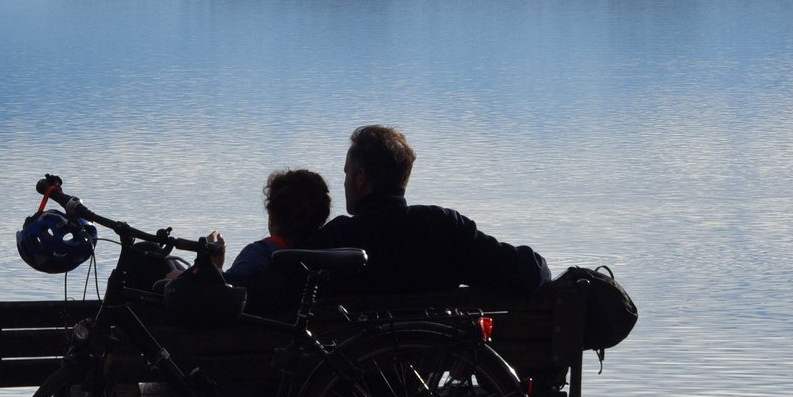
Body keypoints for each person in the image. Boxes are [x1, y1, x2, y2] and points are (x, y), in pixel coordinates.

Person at [311, 124, 551, 298]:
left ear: (361, 178)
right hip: (427, 362)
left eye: (346, 173)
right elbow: (529, 273)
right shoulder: (442, 227)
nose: (343, 183)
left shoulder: (336, 239)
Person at [216, 168, 332, 314]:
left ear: (272, 217)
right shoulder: (329, 258)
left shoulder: (258, 253)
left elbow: (226, 297)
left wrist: (215, 270)